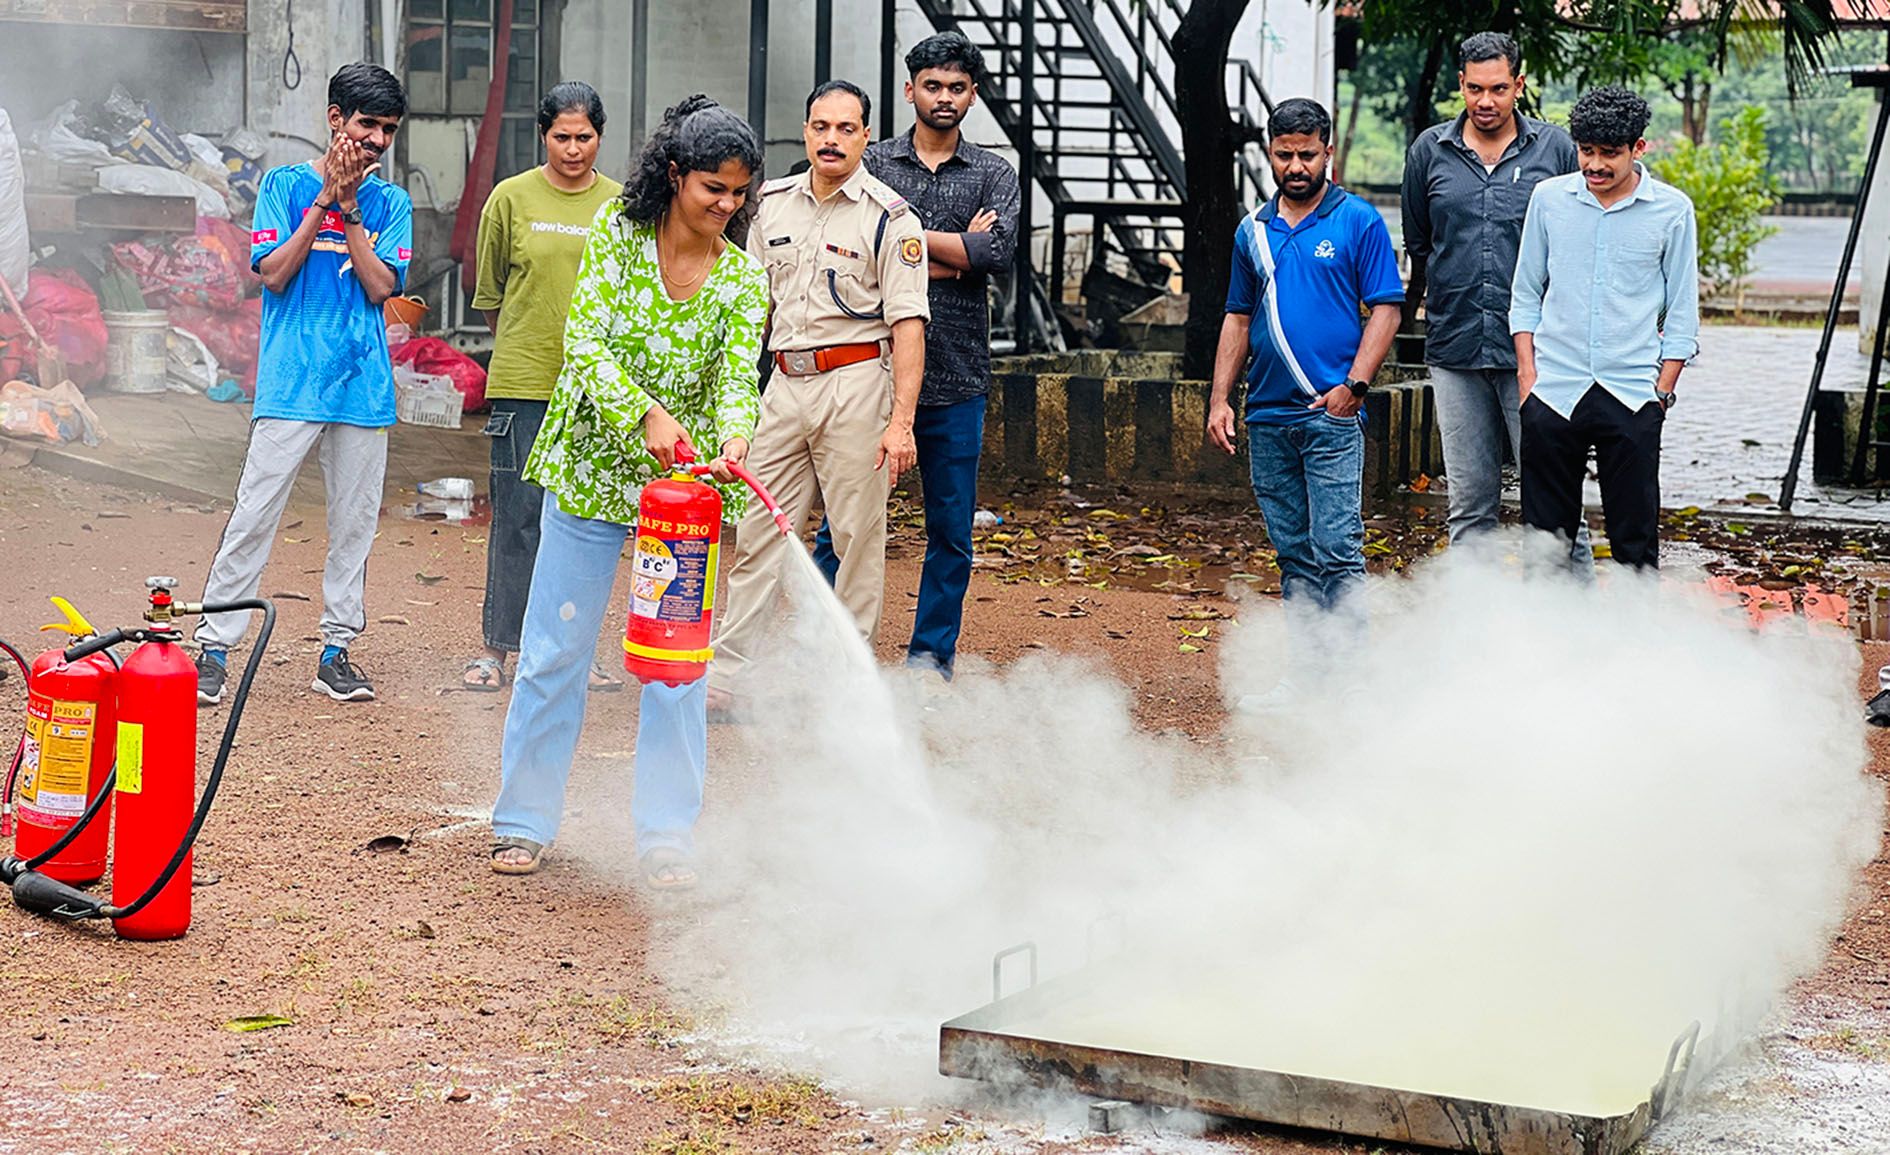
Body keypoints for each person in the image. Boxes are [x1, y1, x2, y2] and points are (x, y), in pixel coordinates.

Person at [487, 96, 770, 887]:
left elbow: (736, 382)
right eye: (714, 188)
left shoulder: (745, 280)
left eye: (739, 194)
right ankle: (524, 818)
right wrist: (643, 412)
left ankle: (667, 834)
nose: (726, 206)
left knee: (677, 666)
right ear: (676, 176)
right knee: (554, 651)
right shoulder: (617, 234)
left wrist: (734, 439)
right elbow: (583, 346)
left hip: (683, 498)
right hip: (590, 471)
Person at [705, 80, 929, 716]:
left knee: (858, 536)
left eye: (846, 128)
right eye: (820, 126)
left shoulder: (891, 218)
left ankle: (845, 682)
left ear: (865, 136)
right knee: (755, 531)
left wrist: (901, 423)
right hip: (780, 385)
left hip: (857, 386)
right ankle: (731, 673)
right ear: (805, 132)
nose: (831, 139)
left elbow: (909, 324)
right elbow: (747, 306)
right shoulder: (770, 204)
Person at [193, 63, 412, 706]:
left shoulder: (391, 204)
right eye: (367, 123)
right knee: (254, 512)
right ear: (335, 118)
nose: (375, 139)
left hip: (361, 384)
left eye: (388, 130)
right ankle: (213, 648)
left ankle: (337, 651)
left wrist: (349, 211)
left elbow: (380, 285)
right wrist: (323, 201)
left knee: (354, 523)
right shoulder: (283, 185)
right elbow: (276, 273)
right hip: (292, 381)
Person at [810, 31, 1020, 681]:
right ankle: (821, 653)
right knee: (843, 526)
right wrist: (954, 249)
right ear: (910, 91)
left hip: (958, 374)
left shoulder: (994, 172)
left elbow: (997, 255)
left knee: (951, 531)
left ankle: (930, 662)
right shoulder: (873, 165)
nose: (944, 97)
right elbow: (849, 245)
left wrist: (903, 243)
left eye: (957, 87)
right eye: (933, 85)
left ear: (973, 96)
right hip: (870, 371)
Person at [1205, 98, 1403, 700]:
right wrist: (1220, 399)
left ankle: (1348, 683)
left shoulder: (1358, 221)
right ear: (1270, 153)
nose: (1296, 166)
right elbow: (1237, 318)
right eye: (1284, 155)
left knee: (1338, 548)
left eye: (1307, 154)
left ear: (1327, 154)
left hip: (1331, 415)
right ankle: (1306, 678)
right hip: (1267, 417)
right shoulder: (1252, 231)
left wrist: (1355, 387)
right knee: (1293, 553)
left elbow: (1387, 308)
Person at [464, 82, 624, 693]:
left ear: (600, 137)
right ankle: (498, 650)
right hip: (526, 383)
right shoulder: (510, 199)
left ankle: (579, 650)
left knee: (590, 523)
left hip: (600, 390)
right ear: (543, 135)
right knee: (518, 518)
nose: (574, 148)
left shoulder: (621, 206)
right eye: (562, 136)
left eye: (584, 137)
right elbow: (492, 300)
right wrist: (527, 349)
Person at [1510, 85, 1699, 572]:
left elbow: (1681, 311)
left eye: (1609, 154)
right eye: (1586, 151)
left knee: (1634, 545)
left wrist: (1663, 391)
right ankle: (1545, 642)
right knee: (1544, 542)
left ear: (1639, 148)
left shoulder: (1672, 211)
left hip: (1633, 393)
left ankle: (1633, 646)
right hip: (1554, 390)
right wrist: (1528, 379)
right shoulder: (1549, 200)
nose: (1594, 164)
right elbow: (1526, 291)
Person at [1403, 32, 1577, 545]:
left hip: (1541, 353)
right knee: (1469, 506)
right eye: (1475, 88)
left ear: (1518, 85)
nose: (1485, 101)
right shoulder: (1428, 152)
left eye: (1498, 88)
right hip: (1455, 347)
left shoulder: (1556, 150)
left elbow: (1577, 243)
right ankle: (1474, 623)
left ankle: (1575, 620)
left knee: (1554, 499)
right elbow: (1420, 243)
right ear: (1460, 84)